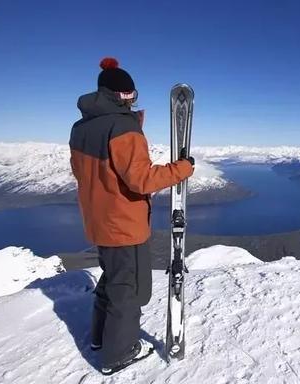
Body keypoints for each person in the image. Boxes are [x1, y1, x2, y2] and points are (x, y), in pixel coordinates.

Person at [69, 57, 195, 375]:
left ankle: (100, 338)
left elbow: (86, 175)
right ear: (123, 95)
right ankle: (118, 353)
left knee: (112, 278)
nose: (134, 99)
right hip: (123, 224)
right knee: (128, 288)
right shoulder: (122, 127)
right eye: (132, 94)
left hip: (98, 221)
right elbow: (141, 179)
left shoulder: (81, 127)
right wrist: (183, 169)